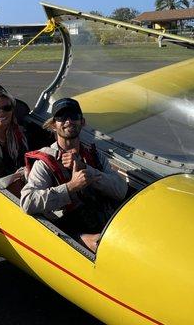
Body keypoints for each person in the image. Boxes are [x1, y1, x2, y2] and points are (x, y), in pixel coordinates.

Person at [20, 98, 126, 252]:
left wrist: (88, 170)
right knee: (102, 246)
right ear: (53, 125)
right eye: (61, 117)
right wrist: (70, 187)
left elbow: (121, 191)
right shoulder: (45, 162)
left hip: (103, 219)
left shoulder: (94, 156)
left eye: (74, 116)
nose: (68, 121)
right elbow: (28, 202)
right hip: (71, 230)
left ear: (82, 122)